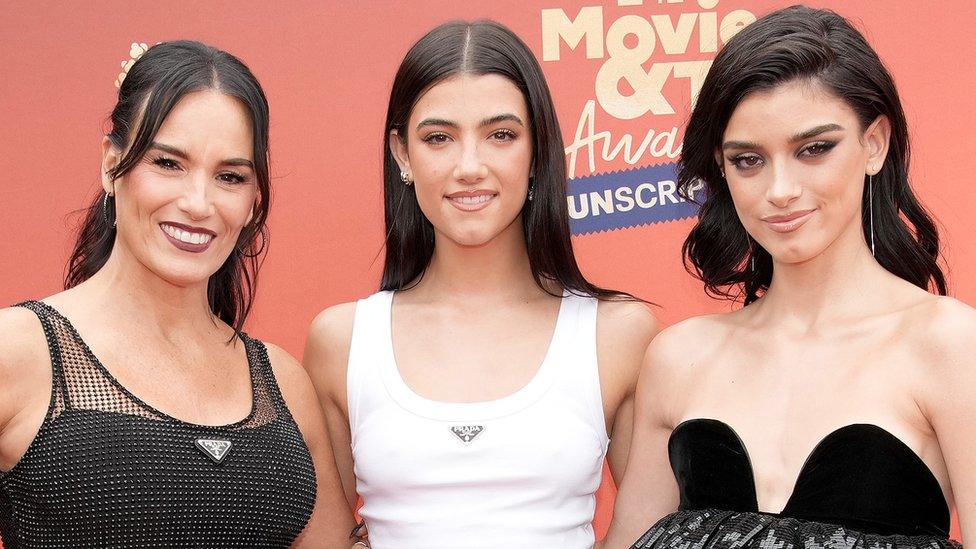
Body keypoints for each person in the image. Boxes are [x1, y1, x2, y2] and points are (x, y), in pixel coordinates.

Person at [602, 6, 973, 549]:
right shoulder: (679, 358)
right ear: (721, 169)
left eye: (814, 149)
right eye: (749, 160)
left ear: (874, 144)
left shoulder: (949, 347)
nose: (780, 189)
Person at [304, 20, 657, 549]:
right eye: (439, 138)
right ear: (402, 154)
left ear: (538, 150)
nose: (469, 166)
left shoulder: (619, 333)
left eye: (501, 135)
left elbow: (649, 531)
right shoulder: (342, 341)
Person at [0, 40, 353, 548]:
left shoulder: (282, 383)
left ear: (255, 201)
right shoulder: (20, 352)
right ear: (111, 163)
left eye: (229, 176)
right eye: (168, 163)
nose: (197, 203)